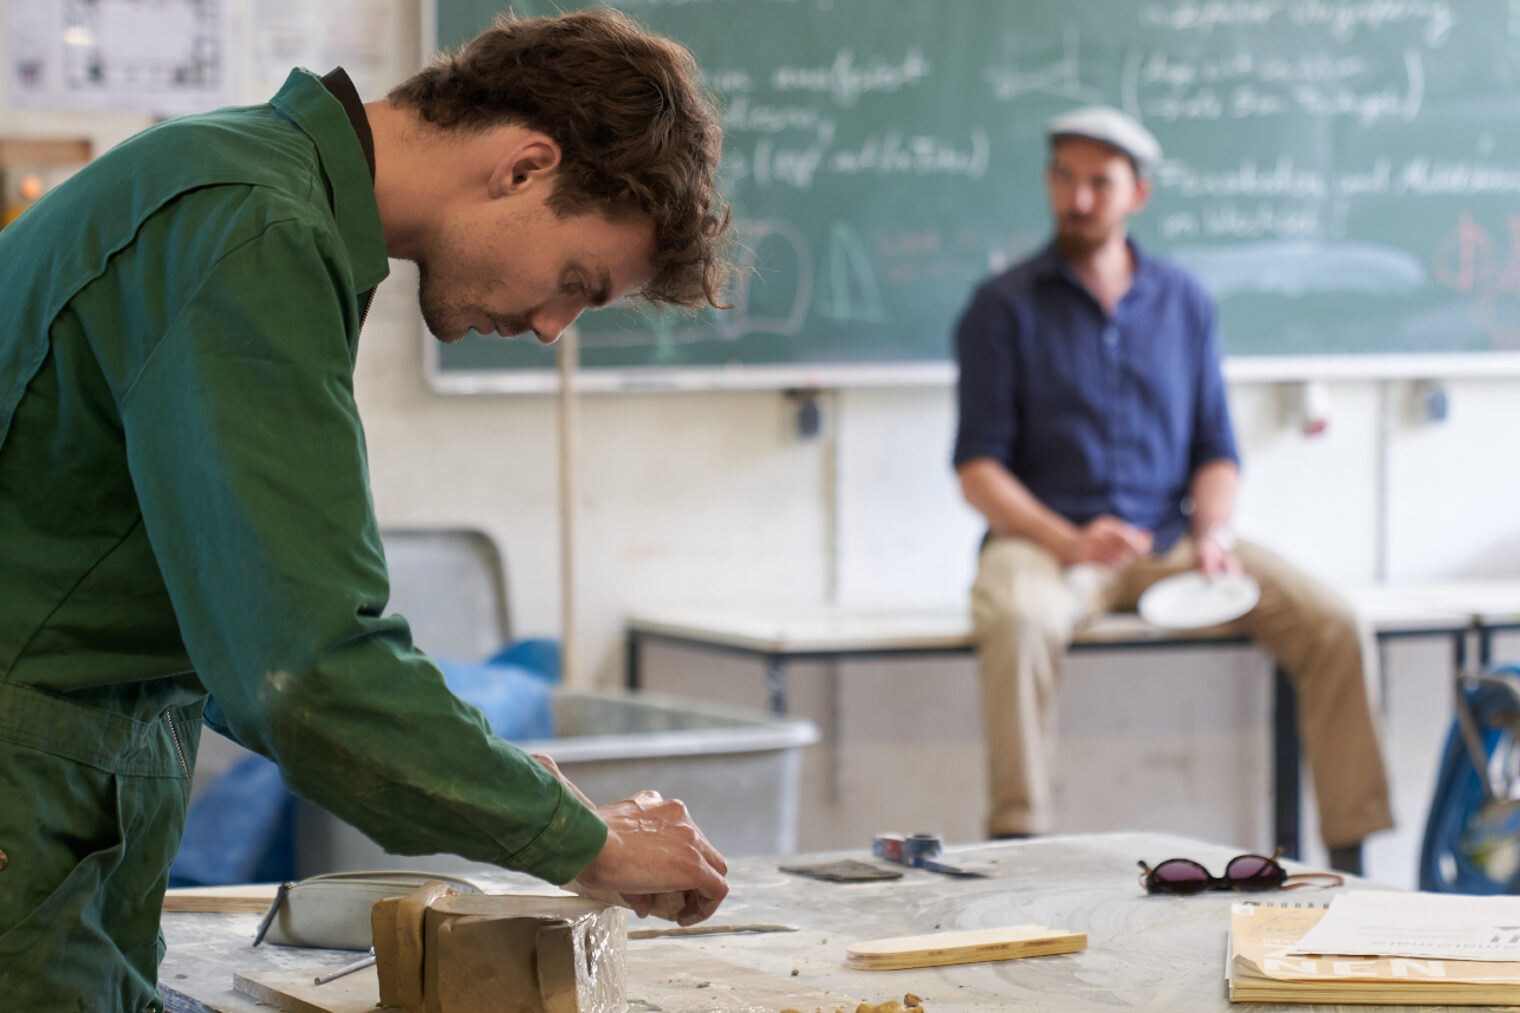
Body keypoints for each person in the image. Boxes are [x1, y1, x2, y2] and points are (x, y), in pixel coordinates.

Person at [0, 10, 733, 1010]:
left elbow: (234, 618)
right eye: (574, 282)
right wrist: (579, 839)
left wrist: (500, 777)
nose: (549, 326)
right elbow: (301, 667)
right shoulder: (253, 228)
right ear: (524, 165)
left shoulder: (238, 178)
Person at [951, 105, 1392, 871]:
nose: (1079, 198)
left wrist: (1215, 536)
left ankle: (1353, 855)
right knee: (1019, 620)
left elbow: (1217, 450)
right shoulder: (1002, 306)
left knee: (1333, 621)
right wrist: (1068, 539)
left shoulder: (1185, 301)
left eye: (1099, 182)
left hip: (1175, 540)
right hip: (1048, 545)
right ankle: (1017, 850)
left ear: (1137, 194)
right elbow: (979, 469)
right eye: (1065, 178)